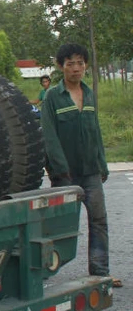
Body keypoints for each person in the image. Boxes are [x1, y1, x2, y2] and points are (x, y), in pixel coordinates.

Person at [41, 43, 121, 288]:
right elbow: (49, 135)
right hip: (65, 174)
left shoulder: (88, 93)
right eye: (70, 64)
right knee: (61, 226)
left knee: (99, 220)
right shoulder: (53, 96)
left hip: (90, 171)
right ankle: (42, 276)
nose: (76, 69)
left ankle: (100, 273)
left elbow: (95, 131)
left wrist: (102, 164)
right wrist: (59, 168)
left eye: (80, 63)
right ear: (61, 66)